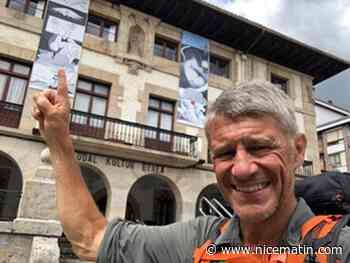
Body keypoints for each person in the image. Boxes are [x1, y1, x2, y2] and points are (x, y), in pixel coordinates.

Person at [32, 70, 350, 262]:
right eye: (225, 153)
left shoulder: (338, 249)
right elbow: (89, 238)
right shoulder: (198, 243)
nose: (241, 168)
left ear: (297, 151)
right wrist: (59, 140)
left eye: (259, 147)